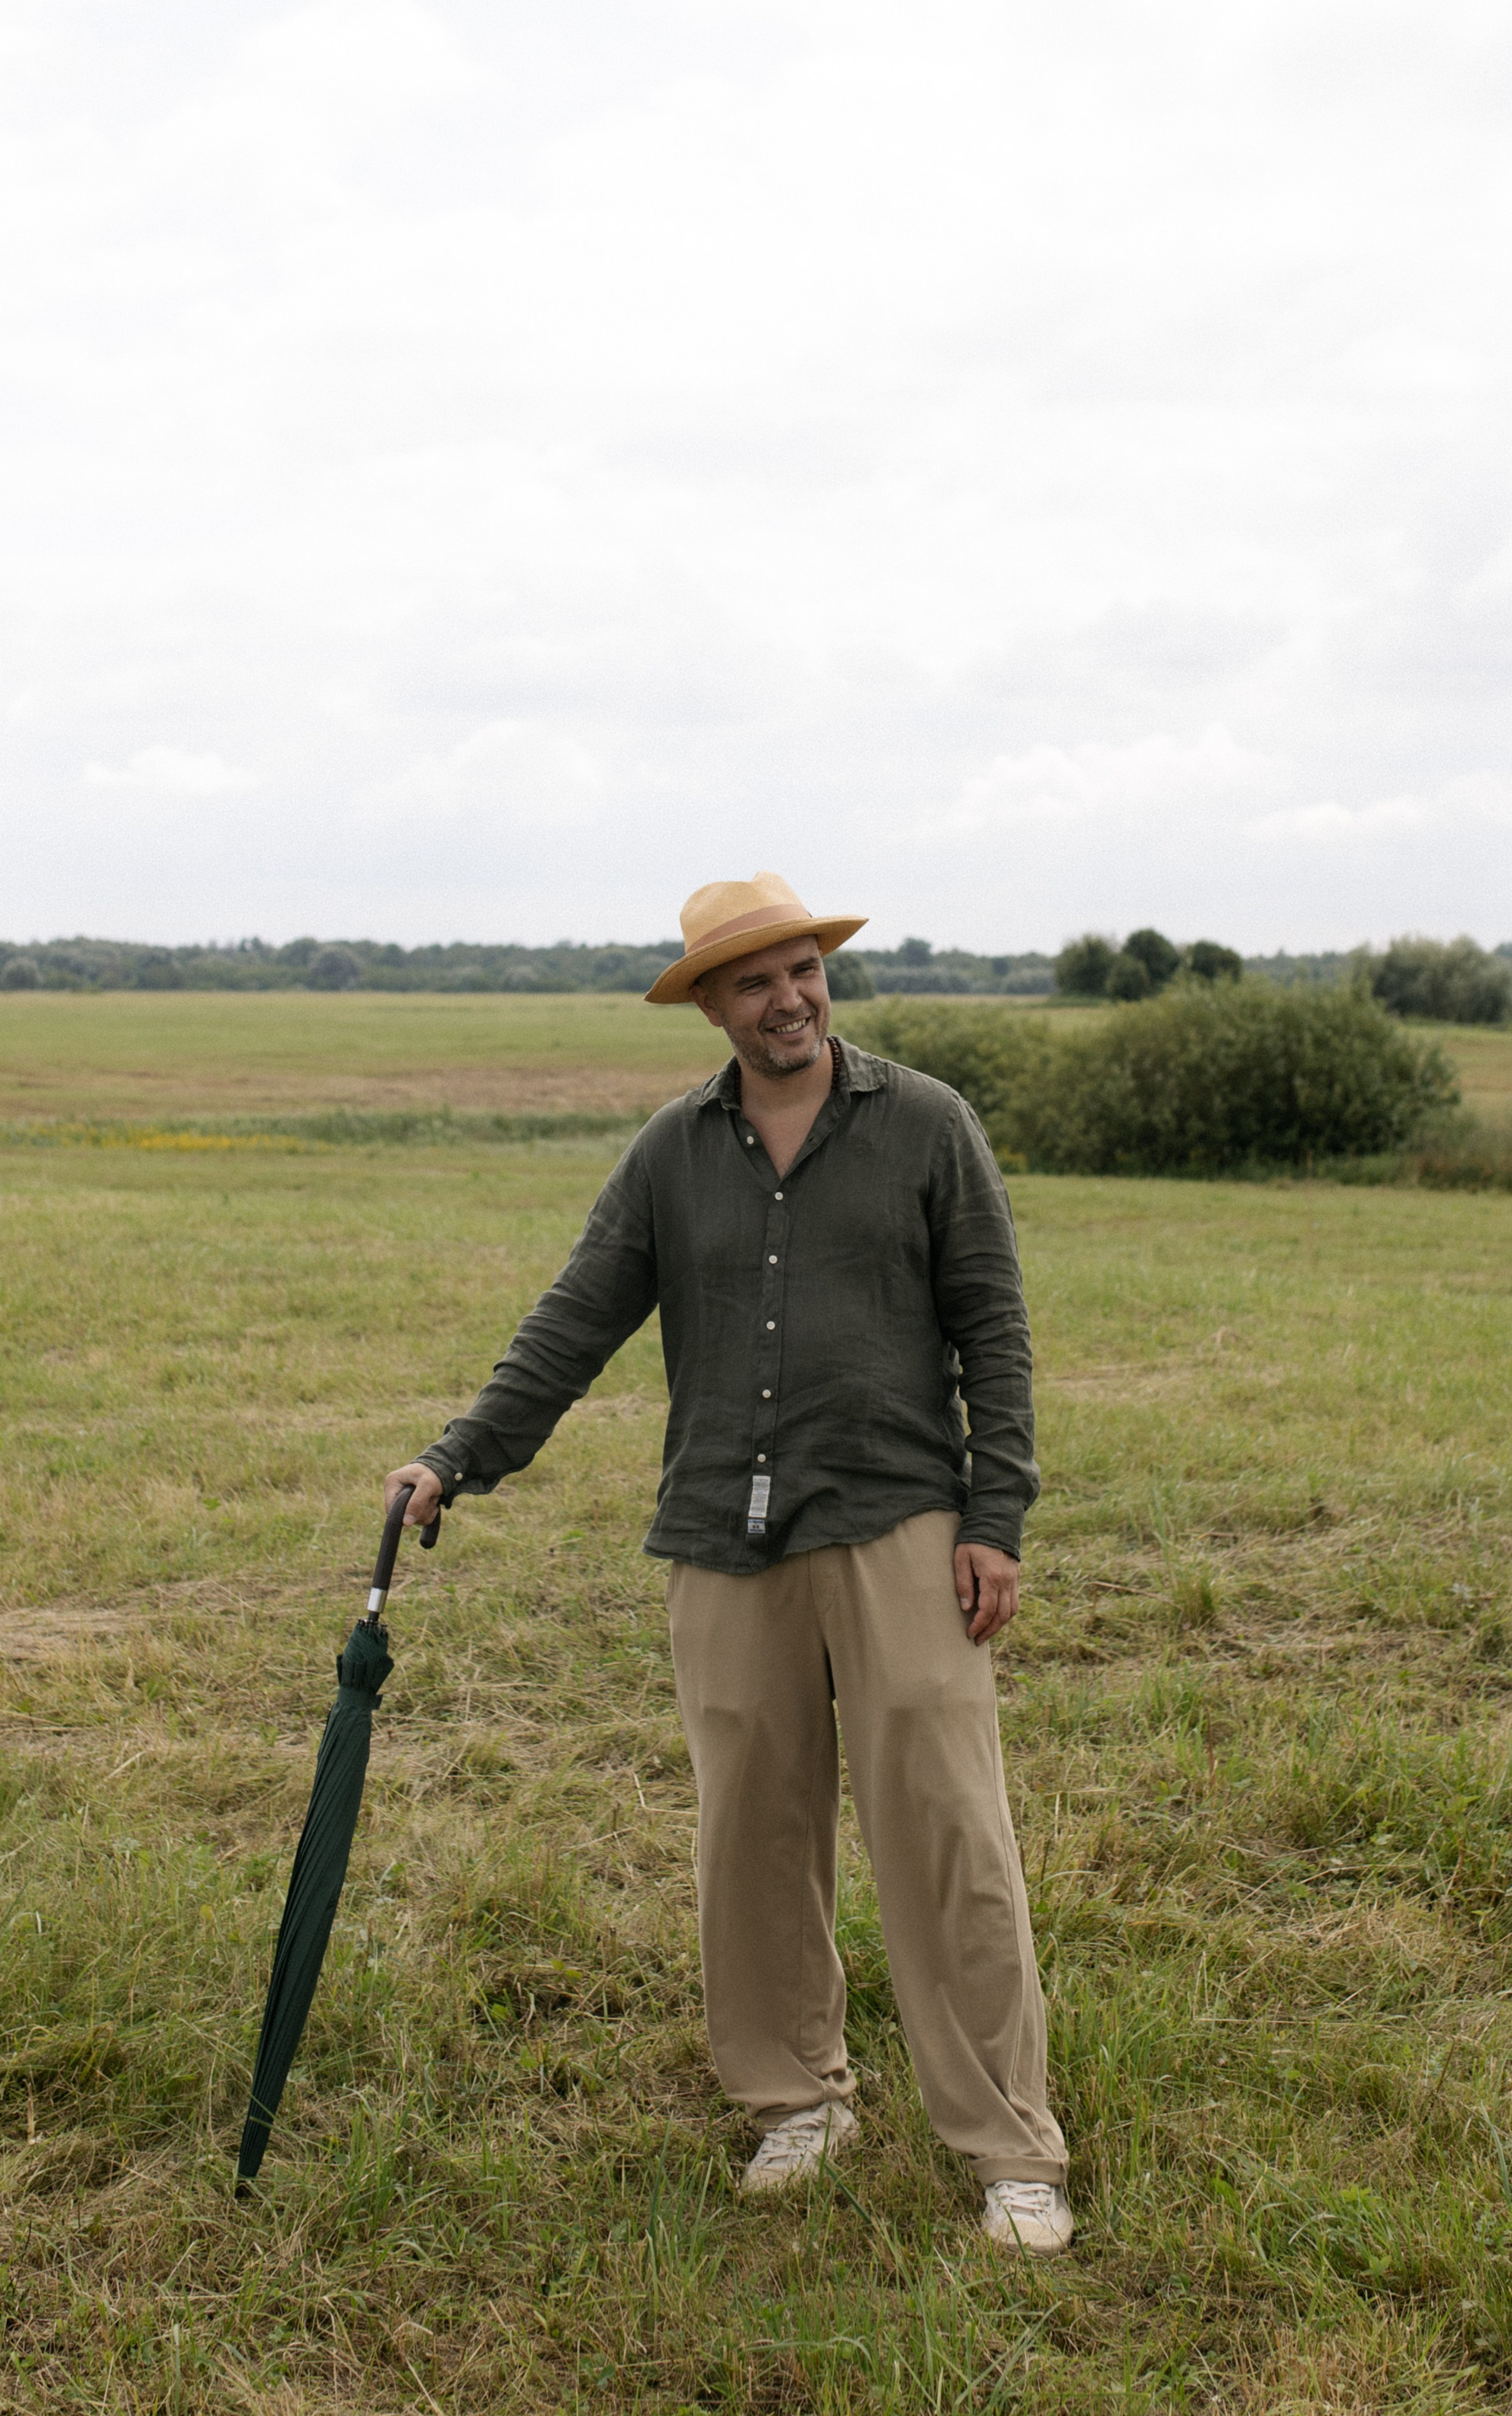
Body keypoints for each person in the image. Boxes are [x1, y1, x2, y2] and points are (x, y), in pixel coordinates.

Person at [386, 872, 1072, 2257]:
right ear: (709, 1005)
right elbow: (574, 1320)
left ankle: (1012, 2147)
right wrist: (458, 1455)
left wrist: (994, 1515)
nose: (788, 998)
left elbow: (993, 1331)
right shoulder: (670, 1153)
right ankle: (796, 2100)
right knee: (749, 1837)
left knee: (949, 1834)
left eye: (802, 968)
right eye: (754, 980)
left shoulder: (927, 1124)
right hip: (721, 1532)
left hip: (899, 1519)